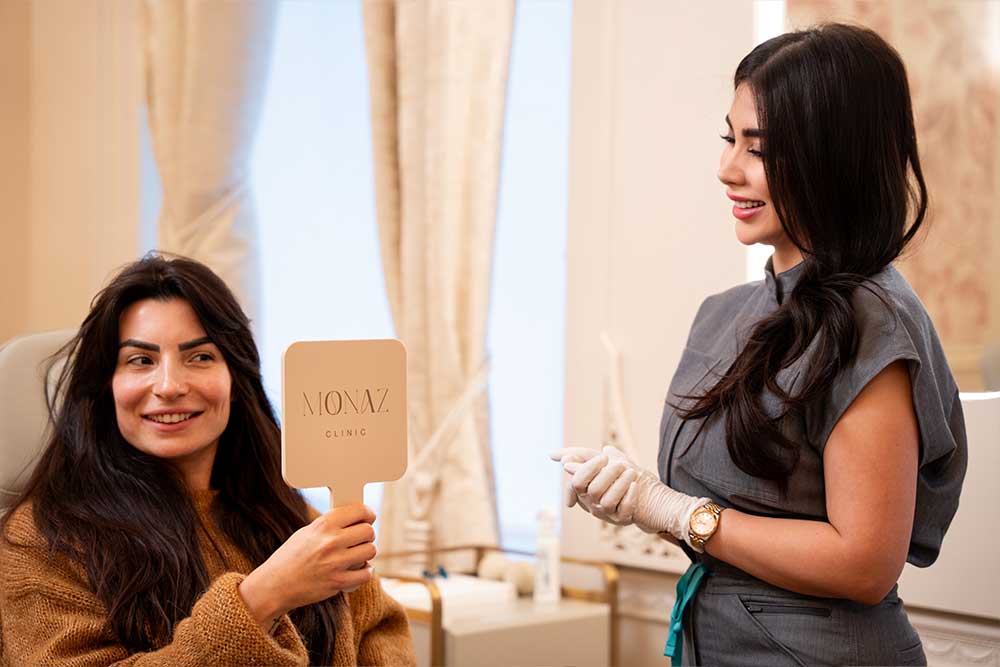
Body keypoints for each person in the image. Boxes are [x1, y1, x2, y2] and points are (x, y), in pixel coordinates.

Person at [552, 23, 966, 667]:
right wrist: (636, 501)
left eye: (759, 149)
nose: (726, 169)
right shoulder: (726, 316)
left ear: (832, 158)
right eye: (728, 138)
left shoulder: (874, 323)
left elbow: (864, 564)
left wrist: (674, 512)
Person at [0, 255, 416, 666]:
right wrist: (262, 598)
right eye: (140, 360)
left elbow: (378, 626)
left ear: (235, 380)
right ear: (105, 386)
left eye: (200, 357)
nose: (168, 386)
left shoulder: (285, 513)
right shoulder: (41, 541)